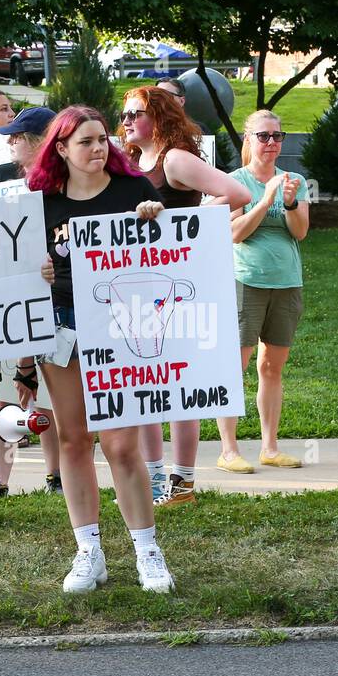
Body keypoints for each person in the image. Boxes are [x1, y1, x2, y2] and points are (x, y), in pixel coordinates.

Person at [26, 105, 176, 593]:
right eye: (85, 141)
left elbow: (171, 254)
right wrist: (39, 269)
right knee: (73, 438)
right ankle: (88, 549)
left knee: (120, 444)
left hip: (122, 325)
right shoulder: (41, 202)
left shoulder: (134, 191)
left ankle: (146, 549)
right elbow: (22, 264)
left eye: (101, 140)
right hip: (63, 324)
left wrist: (155, 218)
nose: (98, 149)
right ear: (61, 149)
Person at [118, 86, 251, 505]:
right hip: (139, 284)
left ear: (157, 116)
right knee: (145, 381)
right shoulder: (136, 162)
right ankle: (157, 478)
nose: (124, 122)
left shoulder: (175, 159)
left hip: (175, 285)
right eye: (122, 115)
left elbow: (237, 194)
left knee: (177, 383)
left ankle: (184, 481)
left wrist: (185, 220)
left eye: (134, 114)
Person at [214, 110, 311, 473]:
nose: (272, 142)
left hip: (287, 281)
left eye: (277, 135)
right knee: (234, 366)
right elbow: (234, 232)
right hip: (245, 280)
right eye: (263, 136)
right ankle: (228, 450)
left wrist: (287, 202)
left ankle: (269, 447)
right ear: (248, 140)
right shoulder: (235, 182)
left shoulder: (295, 180)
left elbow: (299, 231)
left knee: (272, 367)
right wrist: (265, 199)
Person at [0, 105, 63, 497]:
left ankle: (56, 474)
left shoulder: (64, 181)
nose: (9, 141)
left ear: (42, 140)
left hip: (56, 294)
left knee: (50, 395)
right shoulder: (0, 177)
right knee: (5, 393)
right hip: (9, 297)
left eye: (18, 136)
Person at [0, 105, 55, 186]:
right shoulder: (0, 175)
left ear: (38, 142)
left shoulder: (64, 179)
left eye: (16, 136)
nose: (9, 141)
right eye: (11, 136)